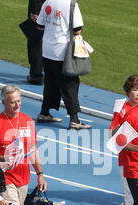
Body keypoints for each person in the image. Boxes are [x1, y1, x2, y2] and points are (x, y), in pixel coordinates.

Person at [36, 0, 91, 130]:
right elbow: (77, 29)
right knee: (70, 85)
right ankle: (74, 119)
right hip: (62, 52)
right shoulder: (71, 4)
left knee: (50, 83)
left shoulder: (48, 2)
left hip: (47, 50)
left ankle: (44, 112)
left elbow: (39, 25)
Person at [109, 74, 138, 205]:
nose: (137, 93)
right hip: (127, 156)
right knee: (131, 193)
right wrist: (120, 132)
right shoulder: (122, 108)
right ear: (128, 91)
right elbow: (113, 130)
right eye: (134, 89)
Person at [26, 0, 46, 84]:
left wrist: (35, 11)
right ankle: (52, 75)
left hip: (40, 7)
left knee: (36, 42)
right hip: (58, 7)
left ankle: (36, 75)